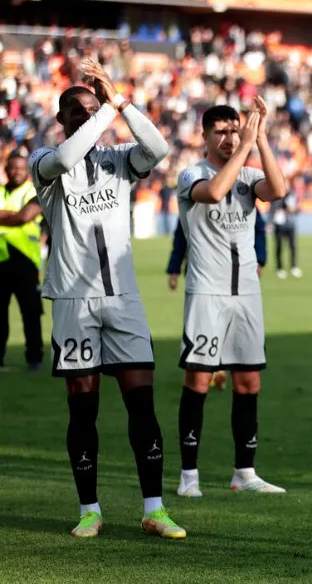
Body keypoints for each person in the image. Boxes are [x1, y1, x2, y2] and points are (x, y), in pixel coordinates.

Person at [27, 59, 185, 538]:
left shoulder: (119, 158)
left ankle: (154, 509)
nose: (84, 114)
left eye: (90, 107)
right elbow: (67, 158)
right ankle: (89, 509)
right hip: (73, 301)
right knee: (83, 409)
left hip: (123, 300)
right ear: (61, 120)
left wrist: (123, 103)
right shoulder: (43, 160)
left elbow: (157, 147)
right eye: (74, 110)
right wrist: (105, 110)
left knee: (142, 403)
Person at [175, 99, 288, 498]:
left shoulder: (251, 171)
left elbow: (278, 189)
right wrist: (243, 148)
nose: (228, 137)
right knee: (199, 380)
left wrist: (262, 140)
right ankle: (189, 476)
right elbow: (216, 190)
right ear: (204, 135)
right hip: (207, 291)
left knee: (248, 382)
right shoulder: (191, 173)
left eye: (234, 130)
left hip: (247, 294)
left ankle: (245, 472)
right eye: (220, 132)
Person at [166, 211, 267, 389]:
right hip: (203, 281)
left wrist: (259, 259)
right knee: (207, 329)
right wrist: (174, 268)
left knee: (231, 332)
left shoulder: (240, 198)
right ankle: (213, 369)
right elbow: (181, 233)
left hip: (237, 281)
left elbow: (258, 228)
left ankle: (218, 368)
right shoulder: (196, 197)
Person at [0, 152, 44, 370]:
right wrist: (12, 215)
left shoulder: (34, 191)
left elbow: (24, 217)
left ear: (26, 170)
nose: (16, 171)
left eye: (20, 168)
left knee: (31, 312)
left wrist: (10, 216)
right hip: (1, 260)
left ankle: (34, 358)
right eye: (12, 168)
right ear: (6, 169)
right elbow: (17, 216)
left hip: (26, 262)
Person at [270, 189, 301, 278]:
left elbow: (296, 209)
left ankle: (294, 266)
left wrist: (294, 209)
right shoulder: (276, 196)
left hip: (290, 224)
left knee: (293, 247)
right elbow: (272, 210)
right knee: (279, 247)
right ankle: (279, 268)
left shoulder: (292, 196)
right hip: (279, 225)